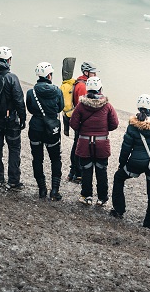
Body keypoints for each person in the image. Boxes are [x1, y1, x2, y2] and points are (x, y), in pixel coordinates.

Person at [111, 94, 150, 229]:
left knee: (119, 177)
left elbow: (126, 147)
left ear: (138, 107)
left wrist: (122, 163)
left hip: (135, 163)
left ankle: (119, 209)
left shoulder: (133, 126)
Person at [69, 75, 117, 206]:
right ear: (100, 88)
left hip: (85, 142)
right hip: (102, 143)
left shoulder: (81, 105)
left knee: (86, 170)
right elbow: (115, 124)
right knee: (101, 171)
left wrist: (82, 129)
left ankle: (87, 195)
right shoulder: (107, 106)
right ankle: (102, 198)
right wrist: (103, 129)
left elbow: (73, 123)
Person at [0, 46, 26, 191]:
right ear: (9, 60)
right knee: (14, 149)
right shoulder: (12, 77)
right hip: (10, 120)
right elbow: (19, 100)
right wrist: (23, 118)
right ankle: (13, 181)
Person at [26, 61, 65, 201]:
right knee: (55, 159)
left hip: (36, 128)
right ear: (49, 75)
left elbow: (30, 108)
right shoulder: (57, 91)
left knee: (37, 159)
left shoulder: (31, 92)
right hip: (51, 129)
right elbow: (61, 107)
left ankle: (42, 189)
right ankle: (54, 190)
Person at [66, 61, 97, 183]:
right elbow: (84, 107)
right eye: (93, 72)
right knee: (79, 147)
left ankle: (73, 172)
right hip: (82, 122)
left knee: (77, 145)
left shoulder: (79, 83)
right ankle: (76, 173)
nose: (95, 75)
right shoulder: (83, 86)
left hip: (78, 120)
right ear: (86, 72)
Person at [60, 57, 77, 138]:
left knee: (66, 121)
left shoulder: (63, 86)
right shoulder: (74, 84)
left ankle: (66, 131)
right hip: (73, 111)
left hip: (66, 112)